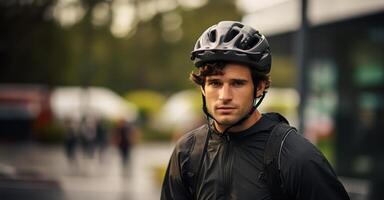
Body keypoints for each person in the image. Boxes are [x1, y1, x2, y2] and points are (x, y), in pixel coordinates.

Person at [161, 21, 350, 200]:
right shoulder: (187, 151)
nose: (224, 95)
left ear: (259, 87)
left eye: (237, 83)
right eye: (215, 83)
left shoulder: (295, 155)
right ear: (203, 87)